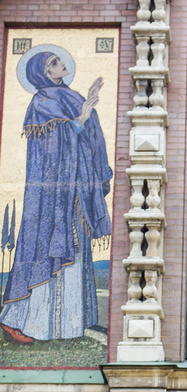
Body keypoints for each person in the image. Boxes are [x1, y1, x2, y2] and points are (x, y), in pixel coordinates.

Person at [0, 50, 112, 343]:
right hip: (53, 195)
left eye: (59, 61)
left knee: (76, 250)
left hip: (76, 189)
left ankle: (72, 325)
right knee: (48, 246)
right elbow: (52, 145)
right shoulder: (41, 102)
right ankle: (22, 322)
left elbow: (86, 131)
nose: (61, 65)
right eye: (53, 63)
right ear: (43, 72)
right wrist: (82, 117)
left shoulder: (70, 96)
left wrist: (87, 108)